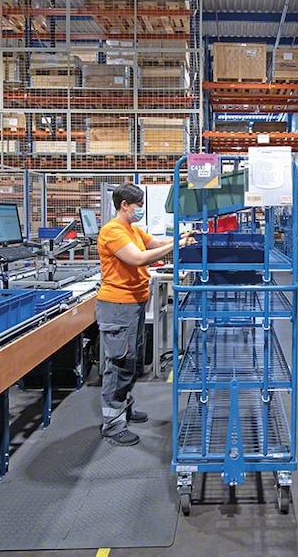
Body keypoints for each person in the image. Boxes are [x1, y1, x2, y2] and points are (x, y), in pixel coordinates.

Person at [96, 183, 196, 446]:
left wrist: (182, 240)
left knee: (130, 358)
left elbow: (156, 242)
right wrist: (176, 246)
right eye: (138, 205)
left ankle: (124, 407)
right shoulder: (113, 231)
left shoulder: (132, 229)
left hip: (134, 303)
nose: (141, 209)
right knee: (118, 362)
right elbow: (139, 258)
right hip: (118, 305)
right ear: (124, 206)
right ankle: (112, 424)